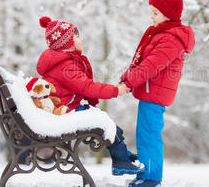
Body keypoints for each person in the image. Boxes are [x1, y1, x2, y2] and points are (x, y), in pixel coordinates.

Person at [36, 16, 144, 176]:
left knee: (107, 122)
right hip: (64, 112)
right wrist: (116, 90)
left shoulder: (63, 63)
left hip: (66, 109)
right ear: (66, 43)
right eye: (77, 36)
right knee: (104, 121)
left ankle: (123, 157)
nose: (81, 39)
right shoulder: (65, 66)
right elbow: (87, 87)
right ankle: (121, 161)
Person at [120, 0, 195, 187]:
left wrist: (129, 81)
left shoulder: (171, 39)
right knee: (145, 133)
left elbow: (150, 66)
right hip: (150, 92)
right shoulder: (162, 35)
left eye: (155, 13)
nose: (151, 17)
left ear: (168, 15)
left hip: (155, 94)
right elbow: (143, 62)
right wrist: (126, 77)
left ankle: (151, 177)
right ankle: (146, 174)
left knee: (149, 135)